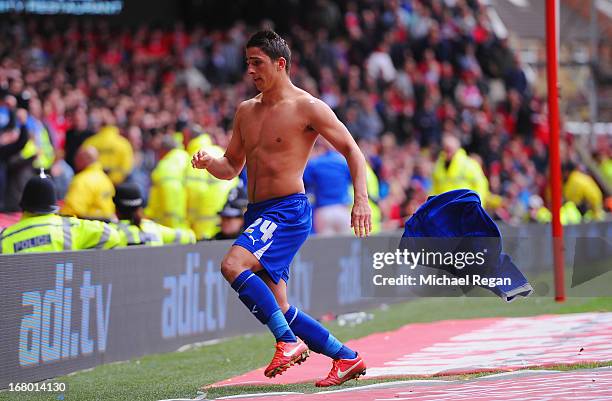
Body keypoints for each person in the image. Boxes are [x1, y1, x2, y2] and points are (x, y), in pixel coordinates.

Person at [191, 30, 371, 387]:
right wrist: (209, 162)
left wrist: (361, 199)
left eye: (257, 63)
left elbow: (352, 149)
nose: (250, 71)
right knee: (281, 307)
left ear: (280, 63)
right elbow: (231, 167)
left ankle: (287, 342)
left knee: (232, 264)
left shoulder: (308, 107)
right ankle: (347, 357)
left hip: (287, 212)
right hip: (258, 213)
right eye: (247, 64)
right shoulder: (246, 111)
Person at [0, 171, 119, 253]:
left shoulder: (5, 238)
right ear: (54, 205)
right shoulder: (71, 228)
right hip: (63, 288)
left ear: (23, 205)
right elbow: (113, 236)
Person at [111, 182, 196, 246]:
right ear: (139, 208)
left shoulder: (111, 232)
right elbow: (190, 237)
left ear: (116, 209)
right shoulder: (153, 228)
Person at [60, 146, 115, 221]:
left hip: (89, 228)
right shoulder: (104, 178)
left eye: (78, 157)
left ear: (86, 159)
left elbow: (71, 212)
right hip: (106, 226)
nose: (75, 159)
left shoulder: (81, 180)